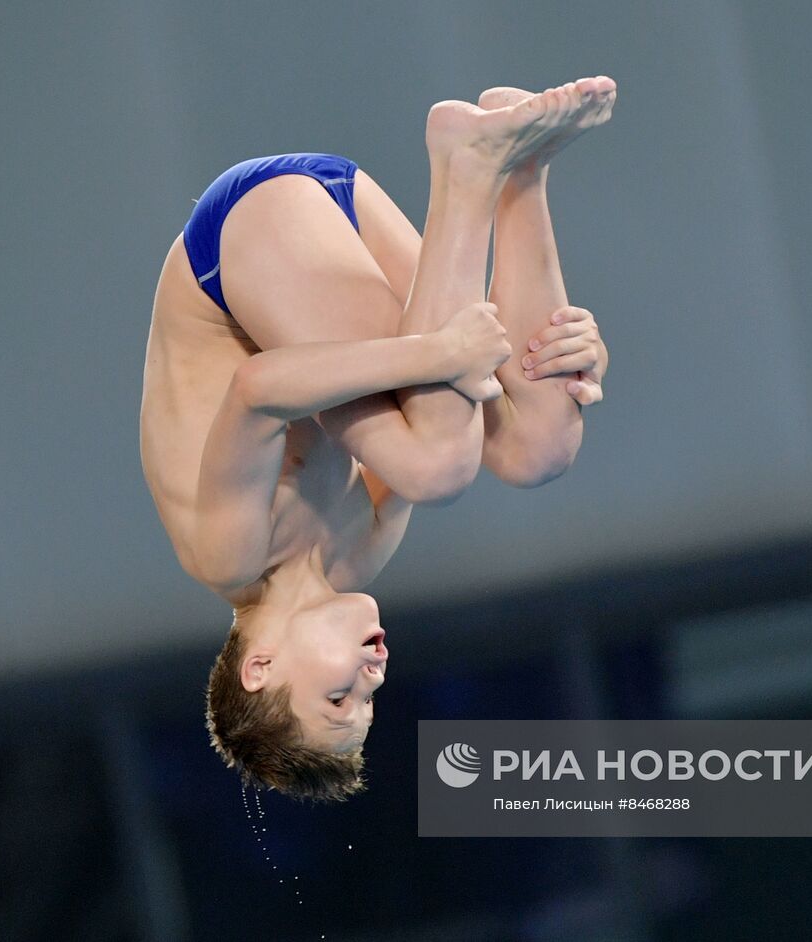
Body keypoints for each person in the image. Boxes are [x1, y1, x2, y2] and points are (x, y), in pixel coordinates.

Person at [140, 77, 616, 800]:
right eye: (370, 706)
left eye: (338, 701)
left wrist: (439, 355)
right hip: (335, 218)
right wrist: (568, 361)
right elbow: (461, 379)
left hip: (242, 238)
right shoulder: (358, 554)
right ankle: (521, 172)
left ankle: (467, 166)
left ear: (260, 667)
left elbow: (258, 391)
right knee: (535, 447)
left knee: (437, 467)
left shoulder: (227, 556)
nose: (373, 681)